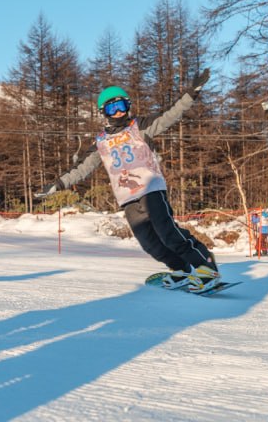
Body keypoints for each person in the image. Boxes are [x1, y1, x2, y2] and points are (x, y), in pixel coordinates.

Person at [36, 69, 221, 294]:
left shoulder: (140, 127)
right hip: (128, 197)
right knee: (150, 243)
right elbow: (82, 168)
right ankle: (181, 268)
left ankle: (205, 267)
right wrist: (58, 184)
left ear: (128, 106)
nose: (117, 112)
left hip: (150, 188)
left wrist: (191, 93)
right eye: (111, 108)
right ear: (103, 112)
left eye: (121, 106)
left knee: (167, 232)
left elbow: (171, 114)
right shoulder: (101, 142)